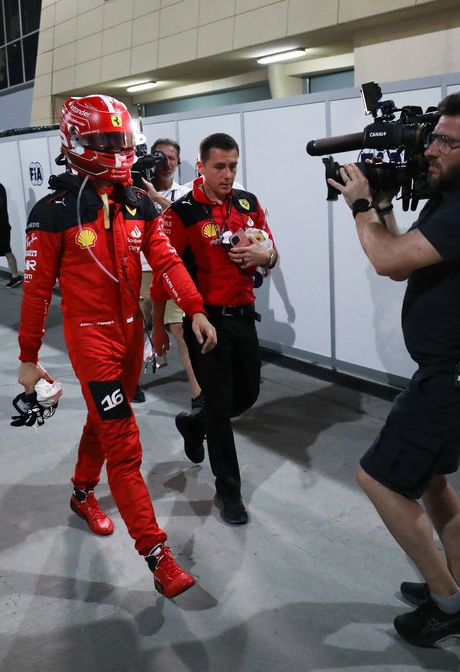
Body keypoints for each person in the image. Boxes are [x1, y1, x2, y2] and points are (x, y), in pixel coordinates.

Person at [328, 92, 460, 647]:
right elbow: (398, 259)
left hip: (459, 376)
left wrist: (362, 206)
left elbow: (384, 259)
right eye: (432, 136)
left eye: (445, 141)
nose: (429, 148)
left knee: (380, 479)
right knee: (432, 481)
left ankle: (448, 605)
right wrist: (384, 203)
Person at [17, 95, 218, 599]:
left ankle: (82, 492)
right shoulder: (52, 213)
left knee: (103, 421)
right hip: (91, 339)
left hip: (130, 333)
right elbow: (37, 293)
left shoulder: (137, 201)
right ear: (77, 141)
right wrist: (27, 358)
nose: (117, 150)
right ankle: (158, 555)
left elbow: (168, 261)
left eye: (121, 141)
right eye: (106, 142)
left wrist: (194, 307)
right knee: (125, 447)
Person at [153, 132, 278, 527]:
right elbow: (163, 273)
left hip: (244, 316)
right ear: (201, 166)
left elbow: (270, 250)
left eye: (233, 166)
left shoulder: (248, 202)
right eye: (220, 167)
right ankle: (230, 491)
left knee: (248, 393)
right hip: (204, 321)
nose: (228, 174)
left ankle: (194, 423)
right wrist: (159, 327)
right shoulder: (183, 211)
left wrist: (266, 256)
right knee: (222, 407)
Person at [135, 138, 197, 405]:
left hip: (171, 269)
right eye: (160, 158)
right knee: (135, 330)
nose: (166, 163)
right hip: (140, 271)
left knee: (181, 330)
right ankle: (131, 381)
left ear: (178, 162)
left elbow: (186, 218)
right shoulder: (133, 193)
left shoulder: (185, 193)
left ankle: (198, 393)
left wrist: (155, 197)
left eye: (171, 158)